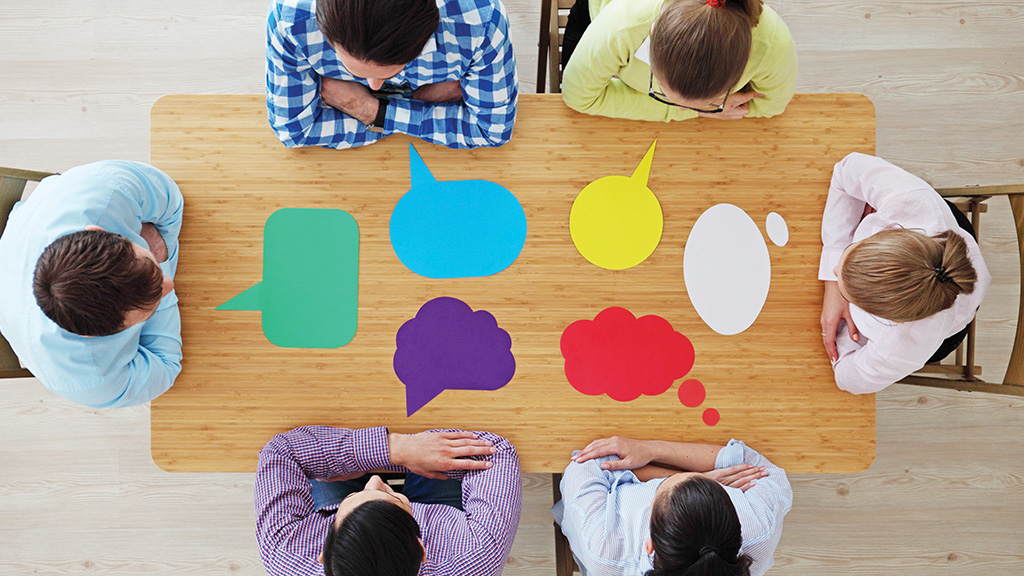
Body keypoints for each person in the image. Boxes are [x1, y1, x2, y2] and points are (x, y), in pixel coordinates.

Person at [0, 161, 183, 408]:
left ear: (98, 230)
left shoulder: (107, 186)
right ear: (90, 336)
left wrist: (154, 292)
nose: (169, 284)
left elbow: (171, 203)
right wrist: (157, 252)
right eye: (154, 299)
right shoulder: (89, 380)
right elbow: (166, 367)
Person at [820, 153, 991, 394]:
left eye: (851, 296)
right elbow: (846, 170)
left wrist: (851, 335)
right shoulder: (911, 202)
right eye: (852, 248)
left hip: (942, 332)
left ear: (895, 322)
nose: (835, 269)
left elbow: (849, 379)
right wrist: (833, 287)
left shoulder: (903, 346)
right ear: (892, 229)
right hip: (952, 235)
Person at [254, 425, 522, 576]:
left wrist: (394, 449)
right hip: (446, 528)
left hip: (387, 517)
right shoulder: (472, 558)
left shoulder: (287, 553)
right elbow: (495, 453)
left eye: (355, 498)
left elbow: (282, 450)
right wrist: (404, 451)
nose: (375, 481)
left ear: (324, 556)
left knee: (331, 434)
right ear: (422, 549)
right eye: (390, 496)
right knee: (455, 437)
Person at [265, 0, 518, 150]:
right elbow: (294, 131)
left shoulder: (481, 22)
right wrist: (430, 101)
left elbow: (492, 130)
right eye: (354, 70)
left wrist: (371, 111)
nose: (374, 87)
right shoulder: (290, 21)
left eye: (394, 69)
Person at [554, 435, 792, 576]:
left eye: (660, 488)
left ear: (649, 546)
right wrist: (661, 464)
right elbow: (767, 472)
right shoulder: (760, 528)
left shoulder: (603, 549)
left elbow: (587, 461)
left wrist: (652, 451)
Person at [560, 0, 796, 122]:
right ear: (652, 35)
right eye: (661, 90)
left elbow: (771, 107)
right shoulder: (623, 25)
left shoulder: (772, 45)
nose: (682, 107)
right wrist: (704, 112)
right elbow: (577, 96)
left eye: (712, 100)